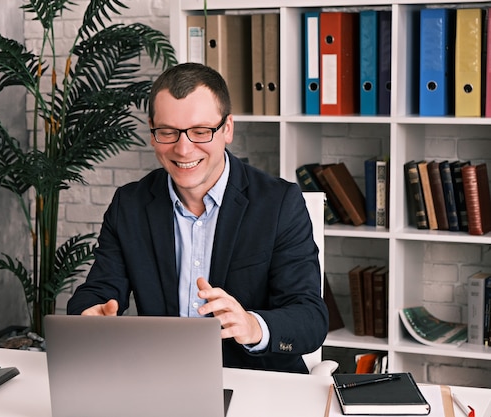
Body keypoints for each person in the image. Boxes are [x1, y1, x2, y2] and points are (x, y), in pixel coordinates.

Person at [67, 62, 328, 373]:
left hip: (256, 382)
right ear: (152, 132)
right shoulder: (130, 204)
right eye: (167, 132)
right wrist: (89, 314)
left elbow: (309, 318)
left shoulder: (279, 203)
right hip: (161, 380)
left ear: (227, 128)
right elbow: (98, 290)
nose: (183, 148)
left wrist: (252, 325)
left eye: (201, 131)